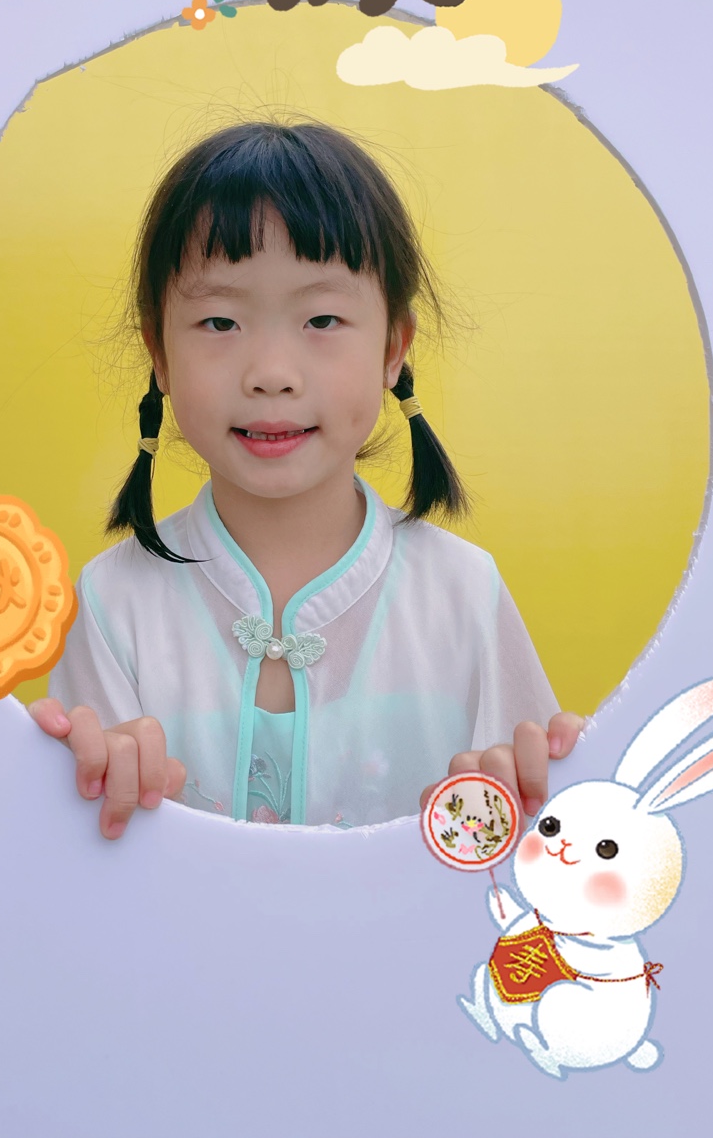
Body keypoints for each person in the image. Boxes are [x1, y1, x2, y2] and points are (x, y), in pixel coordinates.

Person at [30, 118, 582, 837]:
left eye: (321, 319)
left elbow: (534, 850)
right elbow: (74, 861)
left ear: (394, 348)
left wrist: (529, 791)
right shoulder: (113, 602)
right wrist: (88, 785)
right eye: (220, 323)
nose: (271, 374)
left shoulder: (463, 592)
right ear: (159, 354)